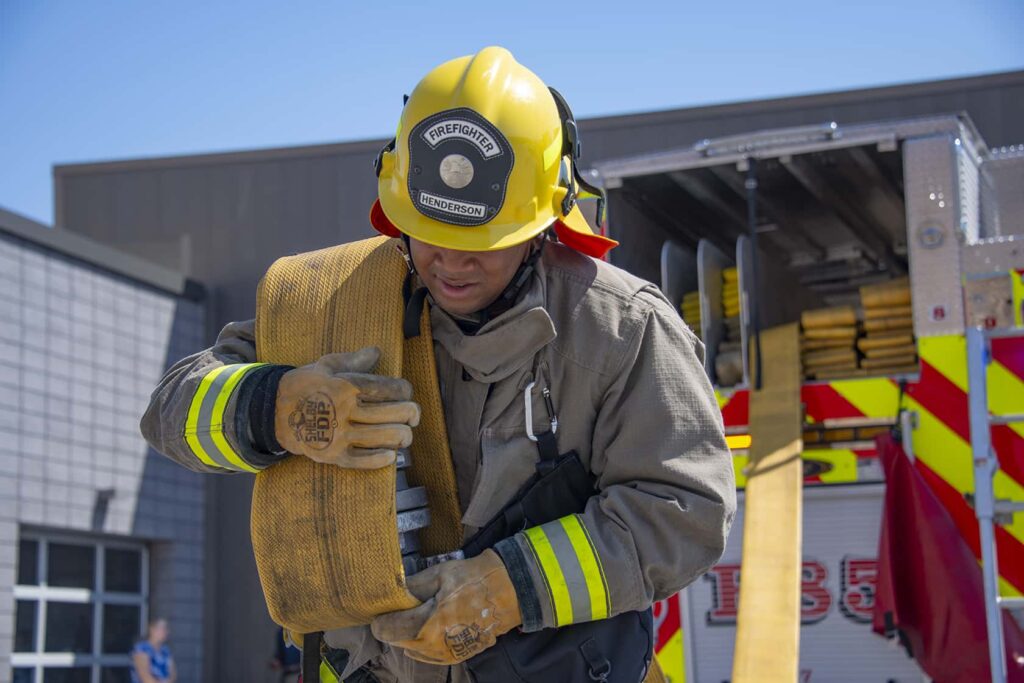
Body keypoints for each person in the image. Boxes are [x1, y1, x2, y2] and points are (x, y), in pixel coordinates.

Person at [141, 46, 735, 682]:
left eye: (483, 239)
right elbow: (169, 415)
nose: (452, 262)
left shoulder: (618, 329)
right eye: (430, 231)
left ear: (542, 224)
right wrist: (276, 406)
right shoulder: (331, 309)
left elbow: (688, 510)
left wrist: (510, 587)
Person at [130, 618, 176, 683]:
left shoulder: (166, 650)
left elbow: (172, 674)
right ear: (152, 629)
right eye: (162, 628)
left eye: (166, 629)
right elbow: (144, 676)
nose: (166, 632)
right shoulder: (141, 649)